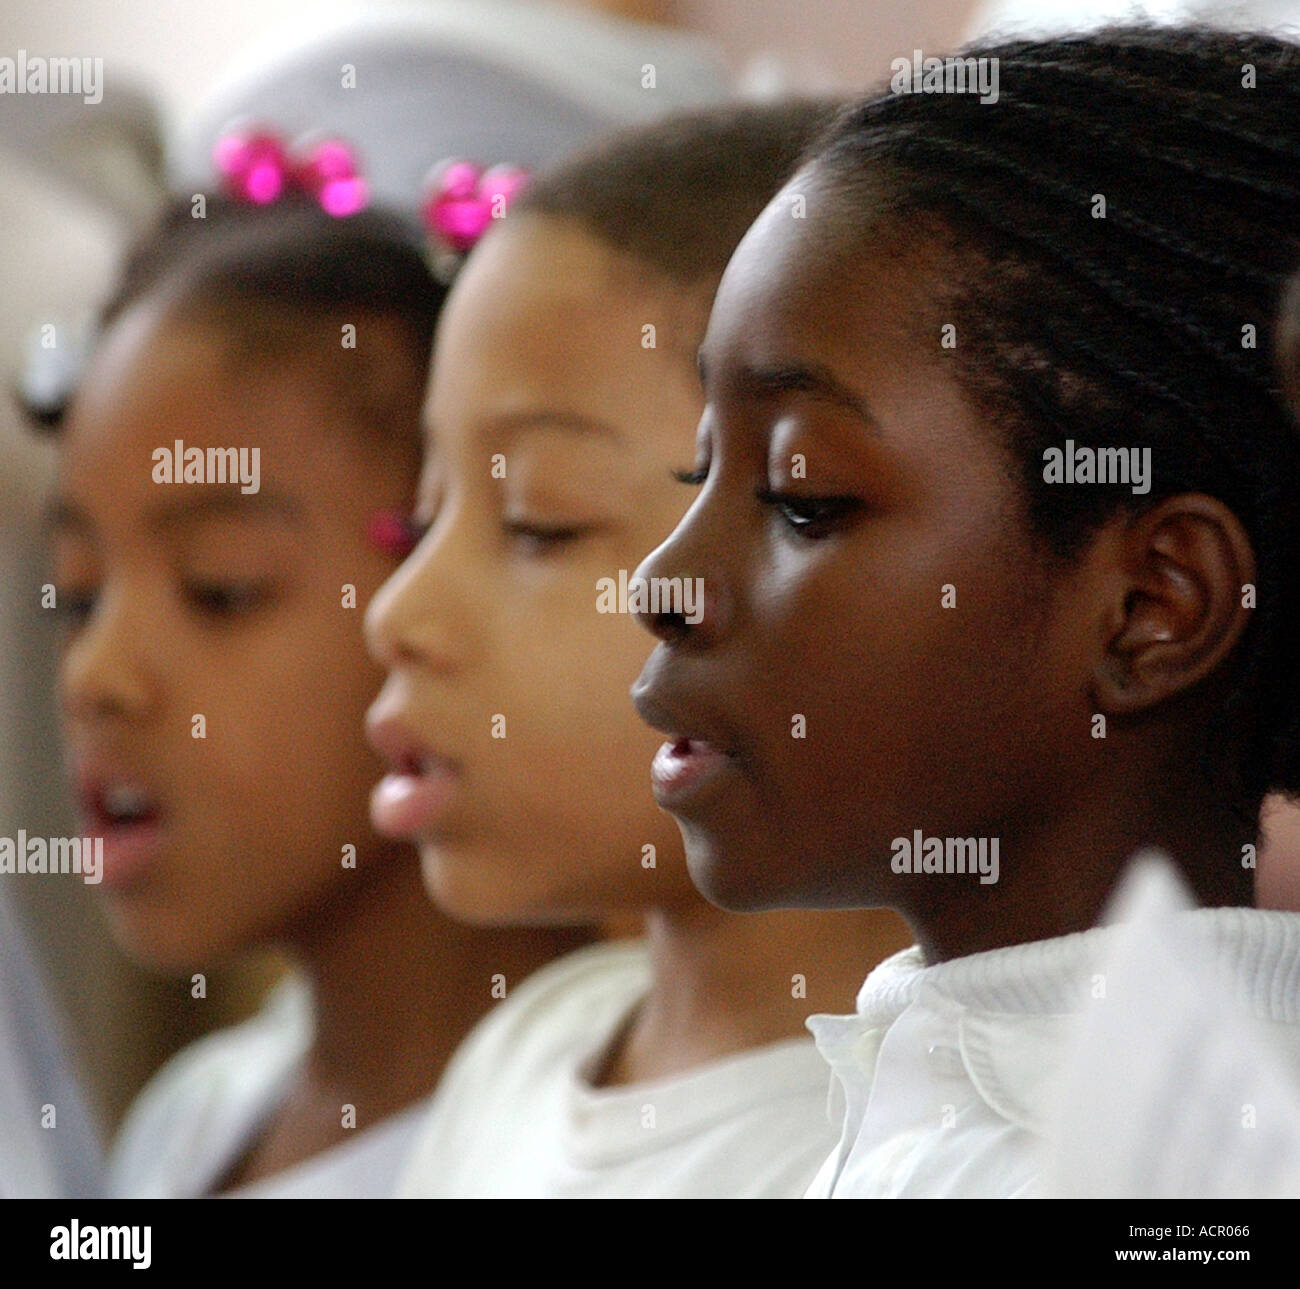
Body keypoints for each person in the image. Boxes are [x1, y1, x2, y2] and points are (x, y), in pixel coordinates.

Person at [630, 26, 1300, 1196]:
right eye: (700, 479)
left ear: (1152, 605)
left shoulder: (1169, 1175)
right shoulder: (942, 1113)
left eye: (802, 496)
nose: (660, 581)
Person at [366, 102, 914, 1199]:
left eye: (540, 522)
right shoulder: (523, 1052)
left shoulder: (900, 1146)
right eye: (424, 519)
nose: (395, 613)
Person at [44, 190, 587, 1197]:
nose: (95, 675)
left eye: (221, 588)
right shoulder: (189, 1118)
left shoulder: (593, 1153)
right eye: (76, 596)